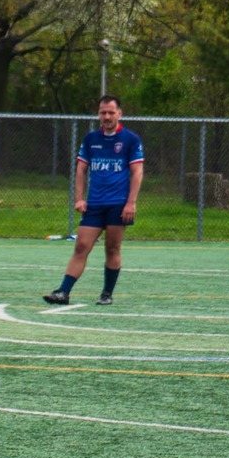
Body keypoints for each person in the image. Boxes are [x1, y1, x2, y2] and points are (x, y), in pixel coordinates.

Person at [45, 94, 143, 306]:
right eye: (102, 112)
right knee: (81, 246)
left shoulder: (130, 139)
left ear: (119, 113)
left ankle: (106, 293)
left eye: (110, 112)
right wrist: (79, 198)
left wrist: (131, 202)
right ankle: (63, 292)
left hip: (118, 204)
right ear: (98, 114)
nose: (106, 116)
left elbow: (137, 172)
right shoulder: (91, 139)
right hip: (95, 204)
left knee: (112, 248)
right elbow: (81, 169)